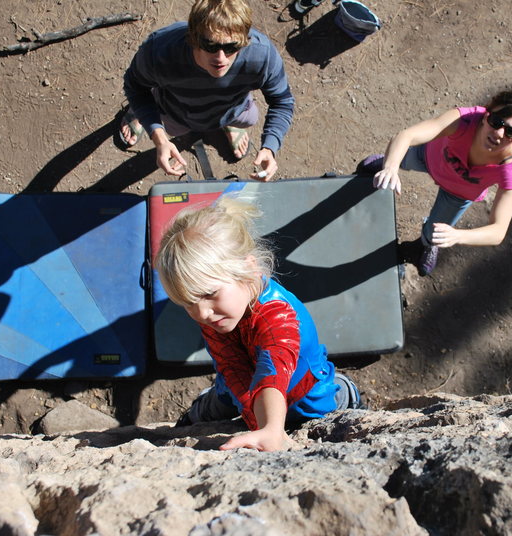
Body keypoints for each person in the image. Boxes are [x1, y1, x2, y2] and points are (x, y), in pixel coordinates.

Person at [155, 196, 362, 452]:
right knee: (219, 397)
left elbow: (272, 371)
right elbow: (230, 363)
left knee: (323, 401)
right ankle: (201, 413)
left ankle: (346, 391)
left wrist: (271, 429)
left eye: (209, 294)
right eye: (188, 302)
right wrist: (252, 416)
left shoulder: (277, 315)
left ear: (249, 268)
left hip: (302, 391)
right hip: (238, 384)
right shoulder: (219, 311)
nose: (202, 313)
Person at [358, 90, 512, 276]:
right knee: (397, 158)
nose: (499, 133)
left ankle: (424, 246)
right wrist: (390, 167)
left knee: (436, 232)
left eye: (511, 131)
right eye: (496, 121)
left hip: (458, 195)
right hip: (428, 158)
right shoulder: (465, 120)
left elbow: (498, 231)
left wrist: (458, 235)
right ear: (485, 115)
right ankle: (382, 164)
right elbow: (406, 136)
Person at [119, 0, 295, 181]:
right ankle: (139, 114)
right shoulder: (160, 51)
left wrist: (269, 147)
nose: (221, 58)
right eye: (210, 46)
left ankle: (228, 125)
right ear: (193, 36)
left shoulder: (262, 55)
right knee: (171, 129)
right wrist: (159, 137)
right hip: (176, 111)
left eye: (231, 47)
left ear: (244, 40)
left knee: (250, 118)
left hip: (232, 109)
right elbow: (135, 87)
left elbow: (282, 100)